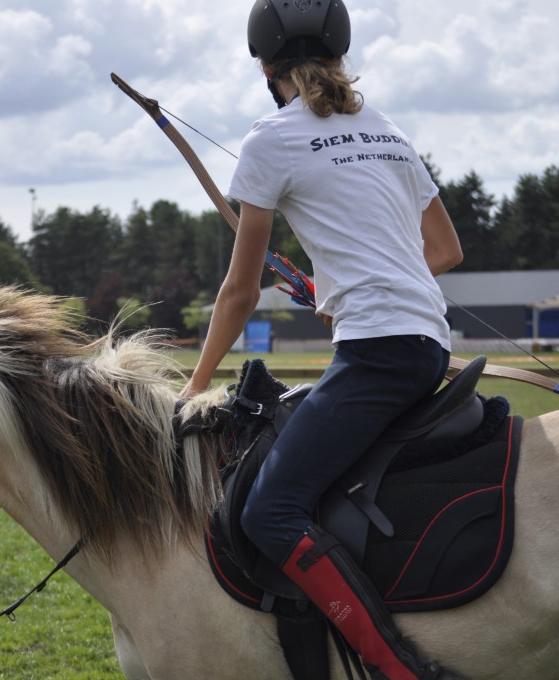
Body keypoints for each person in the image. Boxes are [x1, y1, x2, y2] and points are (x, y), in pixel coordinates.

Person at [180, 1, 463, 678]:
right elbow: (446, 250)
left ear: (264, 65)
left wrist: (192, 388)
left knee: (268, 511)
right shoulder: (386, 129)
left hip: (378, 354)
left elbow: (239, 293)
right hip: (424, 343)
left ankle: (399, 670)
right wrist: (352, 286)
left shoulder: (270, 138)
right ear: (338, 54)